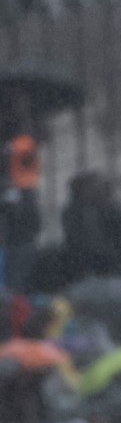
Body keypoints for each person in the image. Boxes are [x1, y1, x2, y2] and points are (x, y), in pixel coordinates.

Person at [1, 96, 42, 290]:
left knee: (18, 271)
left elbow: (27, 175)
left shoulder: (23, 141)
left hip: (19, 213)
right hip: (17, 213)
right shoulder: (22, 140)